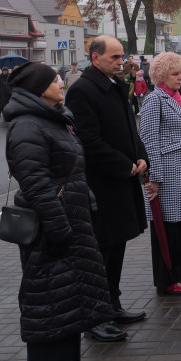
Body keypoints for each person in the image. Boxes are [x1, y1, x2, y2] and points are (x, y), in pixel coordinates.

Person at [4, 62, 113, 361]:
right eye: (54, 80)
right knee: (49, 294)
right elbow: (36, 184)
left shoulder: (52, 118)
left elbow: (69, 171)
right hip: (52, 226)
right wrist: (59, 227)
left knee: (70, 292)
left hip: (70, 219)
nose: (60, 83)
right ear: (39, 88)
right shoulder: (27, 126)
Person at [65, 36, 150, 343]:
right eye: (114, 57)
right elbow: (87, 141)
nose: (120, 61)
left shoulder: (114, 85)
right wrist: (123, 165)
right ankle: (95, 316)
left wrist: (141, 156)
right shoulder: (82, 91)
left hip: (122, 181)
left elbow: (130, 129)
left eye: (121, 56)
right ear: (95, 57)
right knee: (100, 253)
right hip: (102, 185)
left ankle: (112, 304)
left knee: (116, 248)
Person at [139, 52, 181, 296]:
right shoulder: (155, 100)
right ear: (162, 76)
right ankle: (167, 279)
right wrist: (153, 178)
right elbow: (149, 141)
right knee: (167, 228)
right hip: (166, 175)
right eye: (175, 74)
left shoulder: (175, 98)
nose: (180, 78)